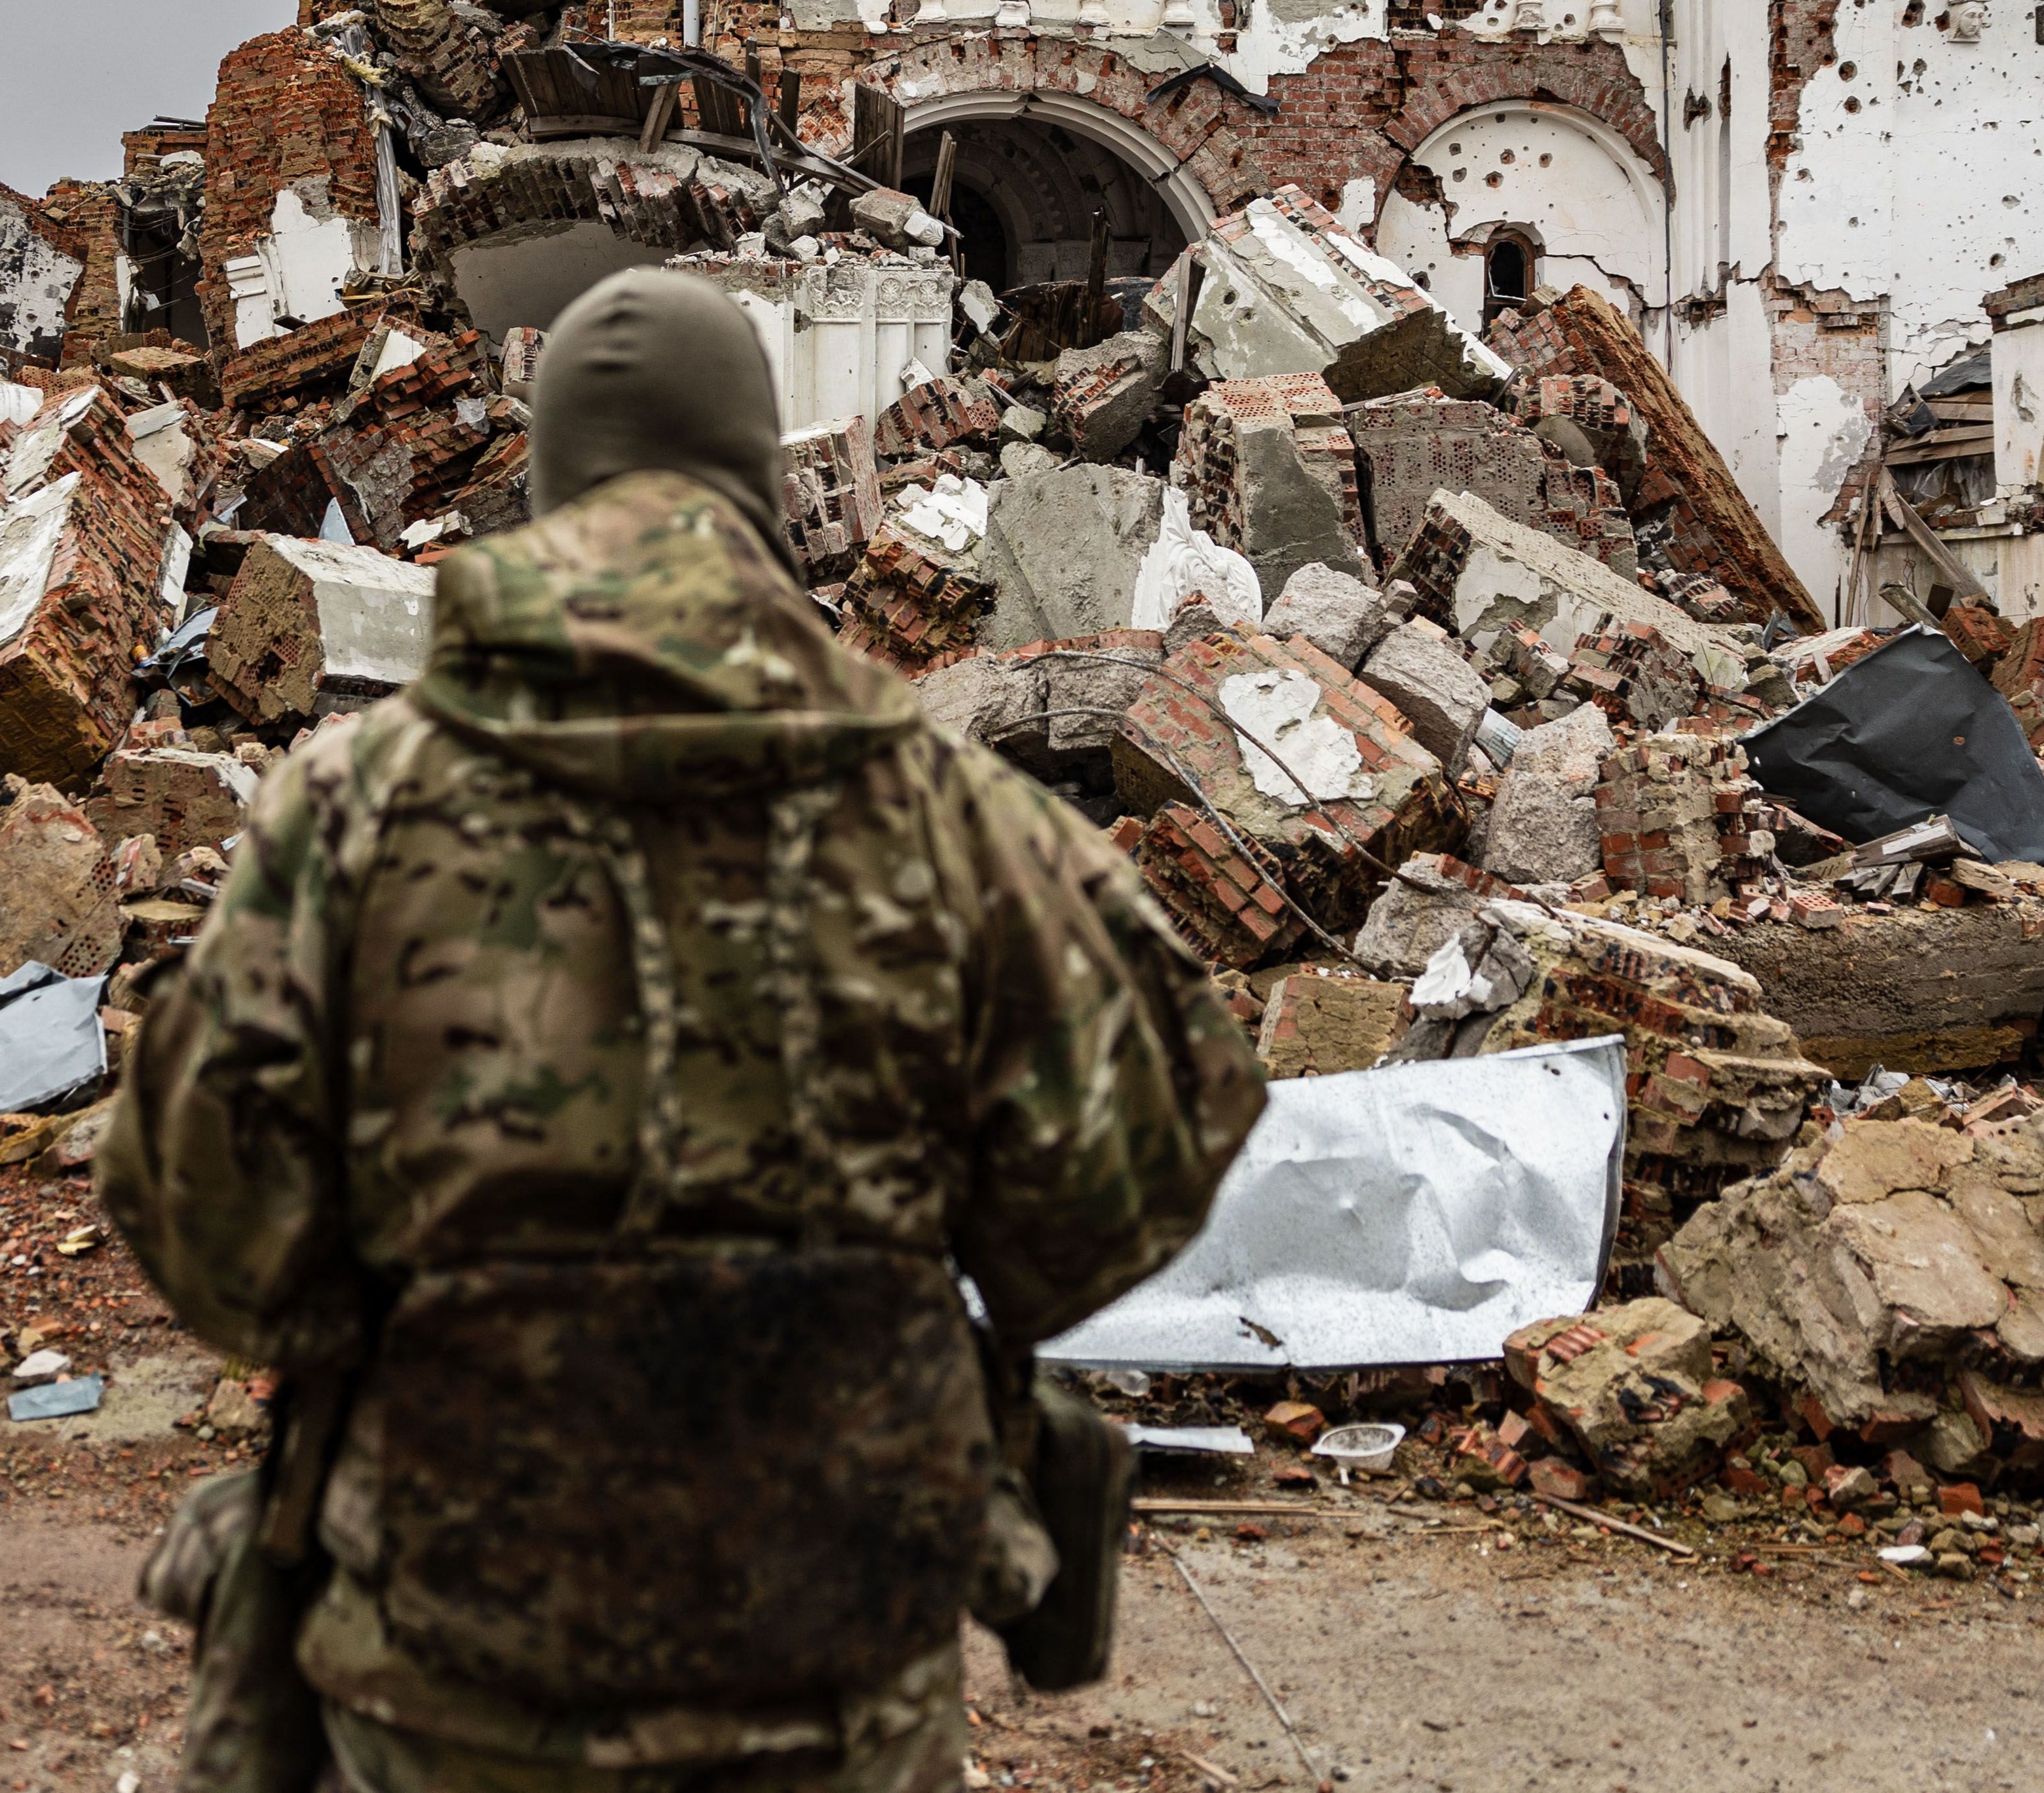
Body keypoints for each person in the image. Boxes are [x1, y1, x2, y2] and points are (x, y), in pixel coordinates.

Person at [103, 266, 1263, 1793]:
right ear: (755, 481)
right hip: (832, 1682)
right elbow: (1145, 1155)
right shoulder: (942, 809)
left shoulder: (355, 807)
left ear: (551, 479)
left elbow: (207, 1224)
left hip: (450, 1677)